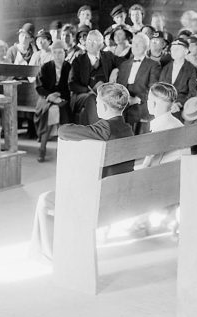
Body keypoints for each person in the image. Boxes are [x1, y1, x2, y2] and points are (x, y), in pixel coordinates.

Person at [31, 82, 133, 259]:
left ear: (103, 106)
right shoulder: (128, 128)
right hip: (119, 191)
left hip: (99, 199)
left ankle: (48, 253)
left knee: (45, 199)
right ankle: (42, 251)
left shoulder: (104, 129)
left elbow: (64, 131)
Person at [112, 32, 160, 133]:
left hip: (142, 101)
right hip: (124, 102)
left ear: (147, 47)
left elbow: (153, 88)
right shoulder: (124, 65)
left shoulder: (154, 65)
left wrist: (137, 99)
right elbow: (119, 86)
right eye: (134, 43)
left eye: (140, 43)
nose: (136, 45)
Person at [68, 30, 117, 124]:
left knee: (113, 99)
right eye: (89, 41)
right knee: (91, 98)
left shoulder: (108, 56)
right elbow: (72, 84)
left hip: (104, 94)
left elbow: (122, 64)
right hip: (82, 95)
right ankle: (98, 132)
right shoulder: (78, 61)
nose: (91, 44)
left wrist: (115, 71)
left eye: (94, 42)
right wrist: (87, 90)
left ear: (101, 45)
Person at [34, 41, 71, 162]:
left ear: (65, 53)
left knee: (59, 112)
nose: (57, 55)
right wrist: (50, 95)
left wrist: (60, 95)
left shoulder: (69, 67)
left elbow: (71, 85)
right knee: (48, 112)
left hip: (62, 98)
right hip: (46, 99)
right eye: (54, 52)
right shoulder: (45, 67)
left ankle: (63, 150)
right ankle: (42, 149)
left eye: (60, 52)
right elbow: (39, 87)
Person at [137, 82, 186, 169]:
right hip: (179, 167)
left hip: (166, 171)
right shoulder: (177, 123)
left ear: (153, 103)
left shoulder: (159, 129)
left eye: (149, 99)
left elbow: (148, 165)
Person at [158, 38, 197, 111]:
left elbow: (193, 92)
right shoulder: (166, 68)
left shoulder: (191, 69)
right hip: (164, 105)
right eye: (172, 49)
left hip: (182, 107)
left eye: (178, 49)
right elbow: (160, 87)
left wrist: (179, 103)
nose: (174, 52)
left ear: (186, 51)